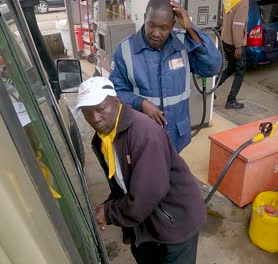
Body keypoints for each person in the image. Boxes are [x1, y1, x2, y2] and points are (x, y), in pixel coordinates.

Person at [74, 77, 206, 264]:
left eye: (101, 109)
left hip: (175, 222)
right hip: (147, 220)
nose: (95, 118)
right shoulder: (103, 139)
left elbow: (145, 196)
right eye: (87, 113)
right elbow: (123, 183)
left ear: (117, 101)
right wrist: (108, 206)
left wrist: (108, 212)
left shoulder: (144, 134)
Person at [109, 0, 222, 153]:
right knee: (149, 173)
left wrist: (190, 28)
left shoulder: (183, 44)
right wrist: (141, 103)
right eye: (151, 25)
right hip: (144, 133)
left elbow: (212, 67)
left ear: (173, 24)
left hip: (176, 133)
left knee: (172, 173)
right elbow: (115, 91)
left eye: (163, 28)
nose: (156, 33)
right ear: (144, 18)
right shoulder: (125, 50)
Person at [217, 0, 249, 110]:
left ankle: (211, 90)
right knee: (240, 72)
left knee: (230, 67)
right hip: (235, 43)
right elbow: (238, 25)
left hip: (226, 40)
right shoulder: (243, 2)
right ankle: (231, 100)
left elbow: (221, 18)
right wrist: (238, 45)